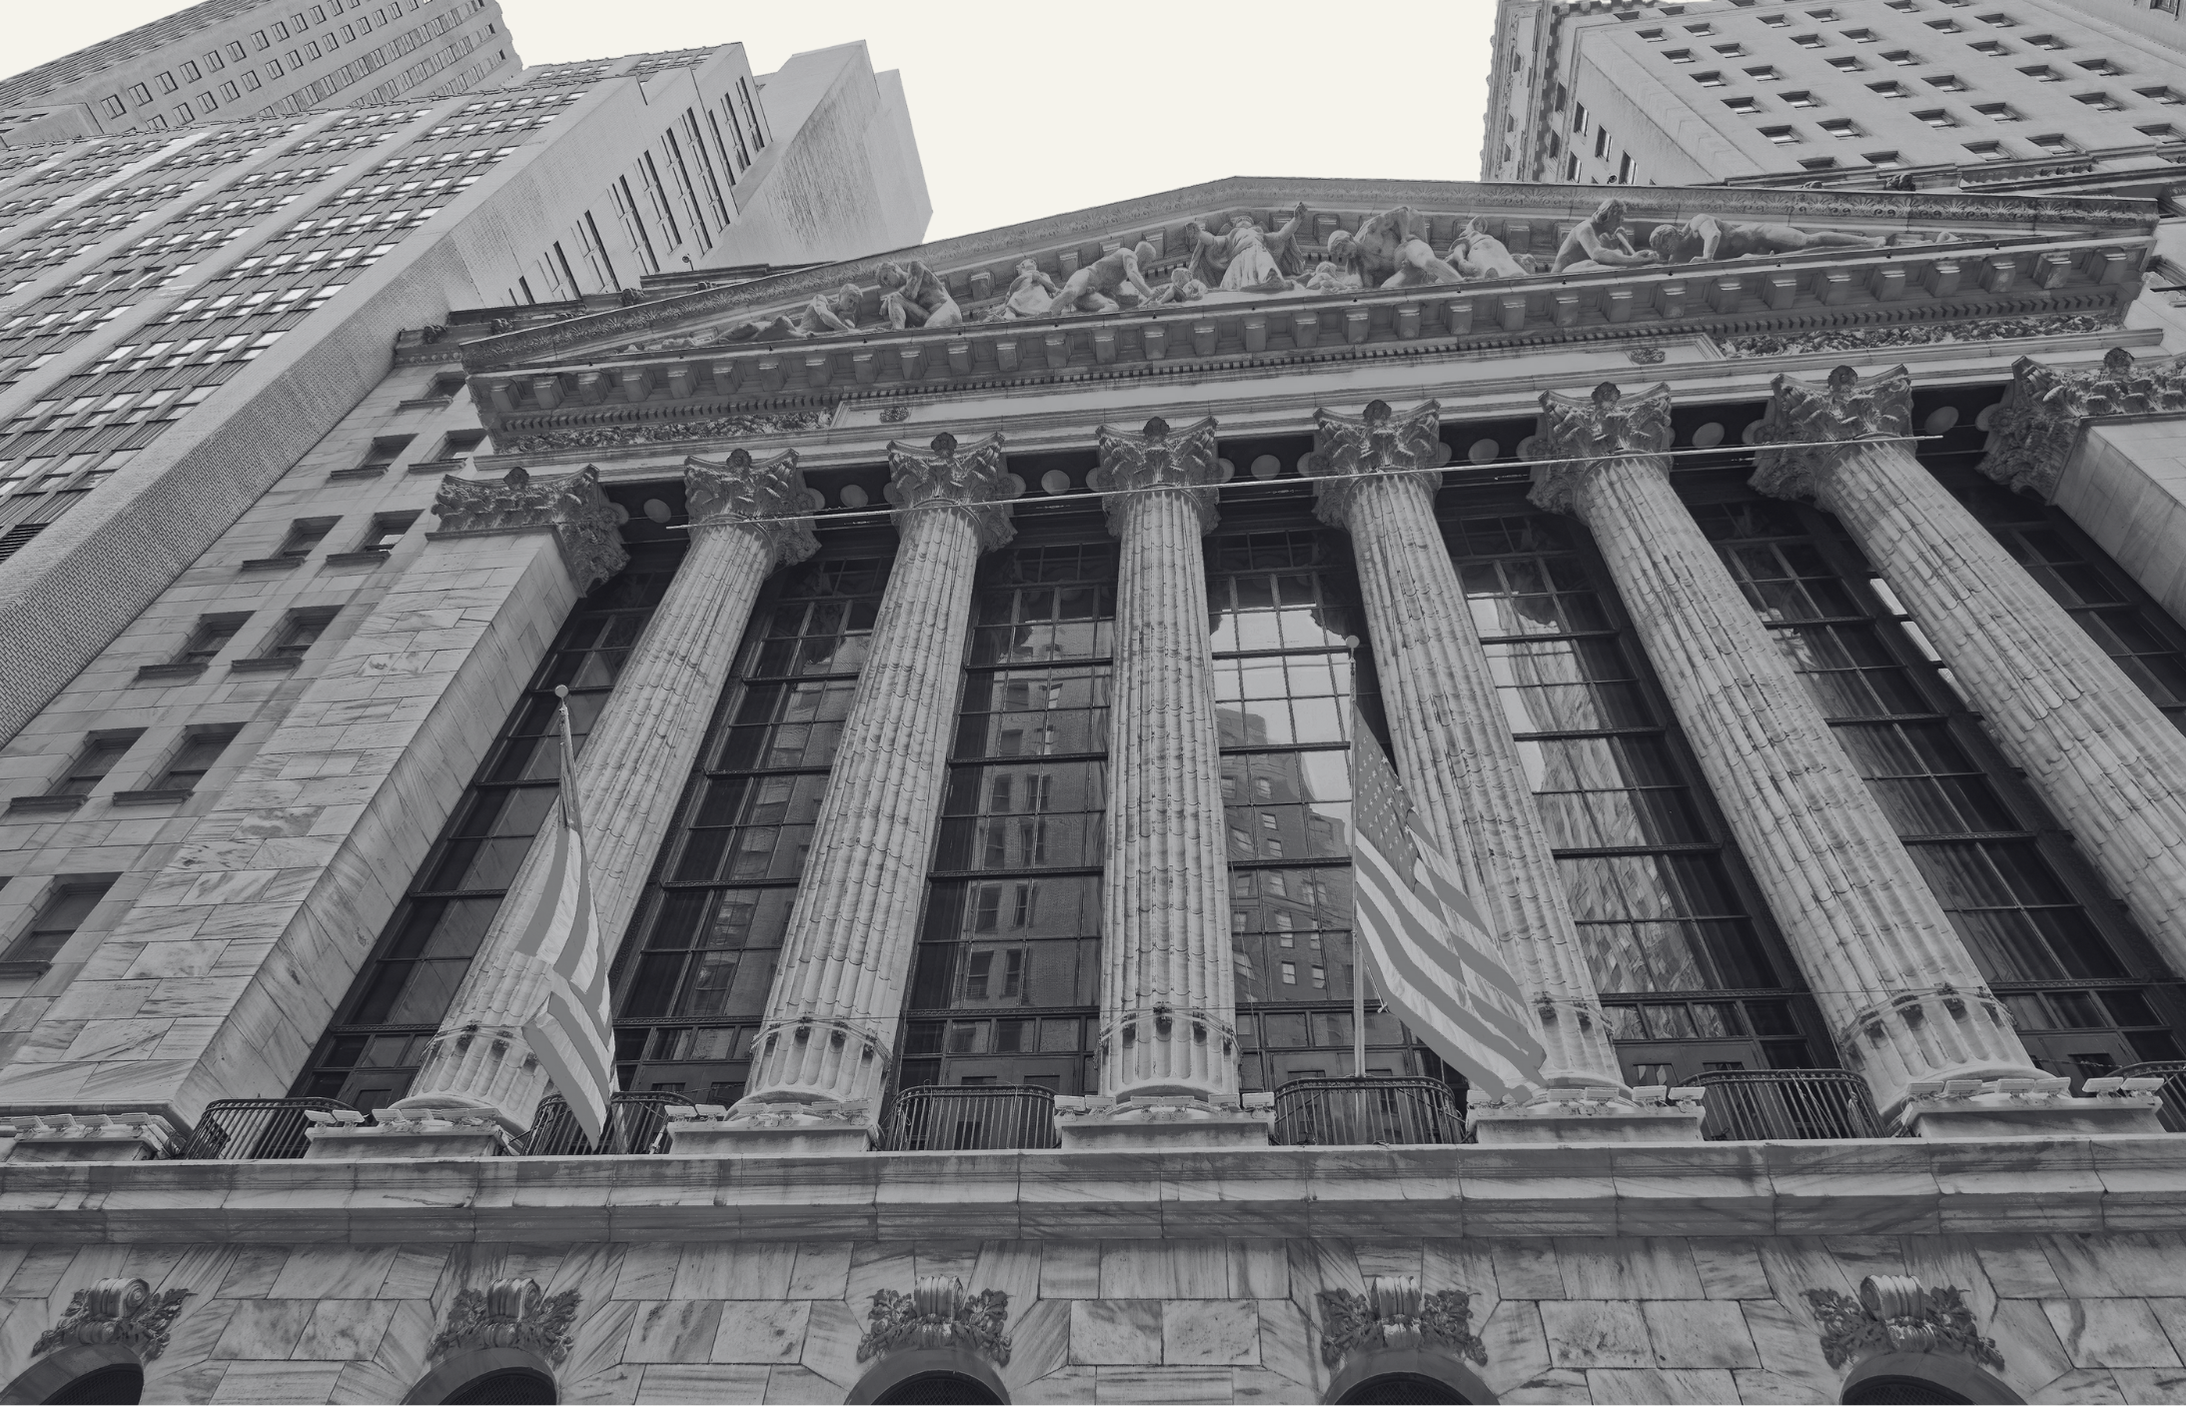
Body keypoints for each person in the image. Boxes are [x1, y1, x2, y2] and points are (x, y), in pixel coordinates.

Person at [1646, 214, 1887, 264]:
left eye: (1668, 244)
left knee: (1808, 242)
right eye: (1666, 249)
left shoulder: (1696, 223)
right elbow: (1661, 265)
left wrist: (1707, 257)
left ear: (1674, 234)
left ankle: (1868, 243)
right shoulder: (1679, 256)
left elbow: (1715, 234)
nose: (1669, 250)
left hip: (1758, 234)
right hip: (1750, 256)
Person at [1325, 206, 1467, 287]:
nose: (1344, 255)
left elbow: (1402, 212)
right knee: (1387, 290)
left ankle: (1461, 286)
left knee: (1428, 262)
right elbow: (1365, 290)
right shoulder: (1361, 265)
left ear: (1350, 238)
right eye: (1340, 255)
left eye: (1343, 249)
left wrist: (1405, 235)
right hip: (1400, 267)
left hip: (1405, 248)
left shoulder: (1370, 231)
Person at [1182, 204, 1309, 292]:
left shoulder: (1259, 234)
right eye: (1240, 219)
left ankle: (1270, 279)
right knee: (1232, 281)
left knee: (1265, 264)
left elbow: (1281, 236)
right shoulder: (1231, 236)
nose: (1243, 219)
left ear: (1253, 224)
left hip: (1258, 250)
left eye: (1246, 219)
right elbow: (1213, 241)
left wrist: (1296, 220)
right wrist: (1199, 234)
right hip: (1239, 257)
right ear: (1234, 226)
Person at [1047, 241, 1159, 317]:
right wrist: (1149, 292)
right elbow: (1133, 273)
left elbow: (1120, 296)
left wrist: (1145, 301)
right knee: (1071, 292)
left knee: (1112, 306)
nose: (1146, 265)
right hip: (1086, 277)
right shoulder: (1128, 254)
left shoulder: (1119, 278)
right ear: (1143, 255)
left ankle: (1093, 327)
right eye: (1148, 260)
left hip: (1088, 294)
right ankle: (1049, 315)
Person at [723, 284, 862, 342]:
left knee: (782, 323)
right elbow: (824, 315)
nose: (852, 306)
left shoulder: (842, 321)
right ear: (841, 294)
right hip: (794, 330)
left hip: (797, 336)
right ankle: (708, 344)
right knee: (748, 327)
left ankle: (735, 345)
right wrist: (846, 330)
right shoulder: (821, 300)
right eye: (850, 300)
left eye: (855, 304)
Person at [1550, 199, 1658, 273]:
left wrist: (1624, 249)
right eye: (1617, 220)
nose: (1619, 225)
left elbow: (1614, 258)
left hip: (1576, 277)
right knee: (1590, 264)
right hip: (1561, 278)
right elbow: (1598, 255)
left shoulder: (1601, 237)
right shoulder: (1584, 228)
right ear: (1607, 215)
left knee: (1616, 256)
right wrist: (1634, 260)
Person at [877, 259, 964, 329]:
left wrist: (888, 299)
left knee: (928, 331)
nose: (887, 283)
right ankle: (897, 333)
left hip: (946, 309)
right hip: (929, 317)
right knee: (894, 298)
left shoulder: (915, 266)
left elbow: (910, 293)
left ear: (894, 269)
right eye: (884, 283)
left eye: (886, 277)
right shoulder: (901, 297)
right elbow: (904, 321)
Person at [1448, 217, 1532, 279]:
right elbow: (1459, 249)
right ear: (1471, 226)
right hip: (1480, 250)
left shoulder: (1488, 237)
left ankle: (1515, 275)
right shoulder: (1469, 237)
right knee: (1486, 267)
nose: (1480, 225)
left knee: (1506, 265)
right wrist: (1461, 261)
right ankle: (1488, 277)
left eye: (1482, 224)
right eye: (1477, 223)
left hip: (1498, 250)